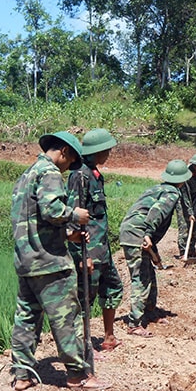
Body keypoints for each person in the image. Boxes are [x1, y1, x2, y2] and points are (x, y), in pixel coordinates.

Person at [10, 130, 110, 391]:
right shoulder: (50, 172)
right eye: (70, 162)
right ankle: (78, 374)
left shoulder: (26, 175)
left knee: (27, 317)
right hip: (50, 262)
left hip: (26, 260)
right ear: (64, 152)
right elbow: (53, 210)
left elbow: (34, 219)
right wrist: (75, 215)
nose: (67, 169)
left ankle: (22, 374)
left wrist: (69, 235)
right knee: (66, 318)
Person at [119, 160, 192, 337]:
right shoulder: (172, 192)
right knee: (141, 278)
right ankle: (134, 323)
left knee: (149, 273)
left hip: (134, 232)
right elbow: (157, 212)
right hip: (138, 234)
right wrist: (148, 233)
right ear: (182, 180)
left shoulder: (158, 188)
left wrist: (156, 254)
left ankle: (150, 311)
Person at [67, 128, 124, 353]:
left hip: (102, 251)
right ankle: (83, 348)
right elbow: (73, 217)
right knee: (84, 301)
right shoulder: (79, 176)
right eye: (106, 149)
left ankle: (108, 337)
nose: (109, 152)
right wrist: (83, 255)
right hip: (88, 251)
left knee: (113, 288)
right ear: (96, 151)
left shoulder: (95, 175)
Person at [174, 153, 196, 259]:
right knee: (185, 226)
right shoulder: (185, 175)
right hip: (182, 202)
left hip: (193, 200)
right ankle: (183, 251)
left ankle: (191, 250)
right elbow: (185, 195)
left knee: (194, 227)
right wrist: (190, 212)